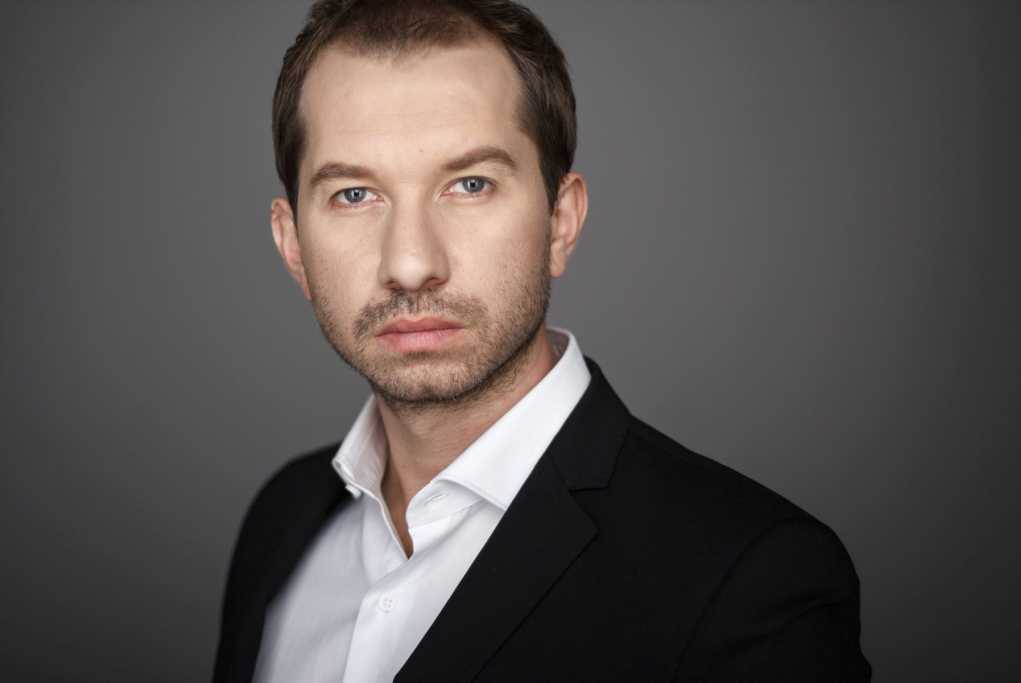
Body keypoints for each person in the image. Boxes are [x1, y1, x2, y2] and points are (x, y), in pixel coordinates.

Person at [213, 1, 871, 681]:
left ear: (561, 221)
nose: (409, 263)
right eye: (354, 194)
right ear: (293, 245)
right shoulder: (283, 522)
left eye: (470, 185)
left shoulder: (751, 583)